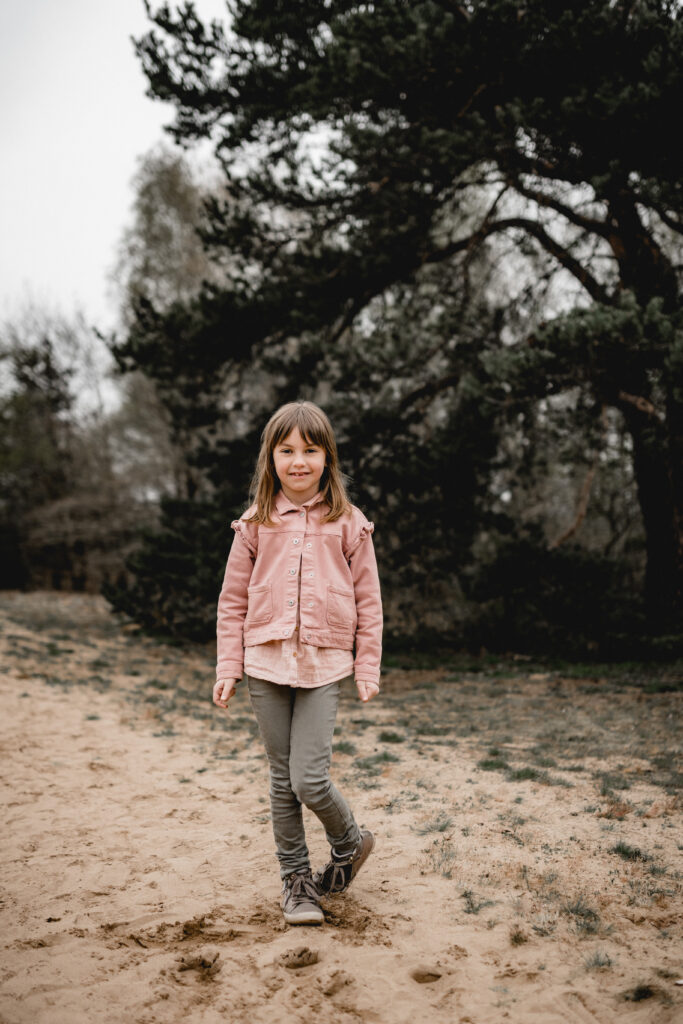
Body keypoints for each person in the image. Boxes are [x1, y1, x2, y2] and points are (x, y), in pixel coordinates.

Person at [213, 401, 383, 926]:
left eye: (310, 450)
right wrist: (228, 667)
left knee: (308, 779)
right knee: (281, 779)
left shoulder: (349, 524)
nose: (299, 461)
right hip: (264, 663)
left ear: (327, 459)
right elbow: (232, 602)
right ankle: (297, 882)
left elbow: (370, 601)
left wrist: (367, 666)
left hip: (324, 665)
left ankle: (349, 841)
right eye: (287, 450)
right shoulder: (254, 525)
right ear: (272, 458)